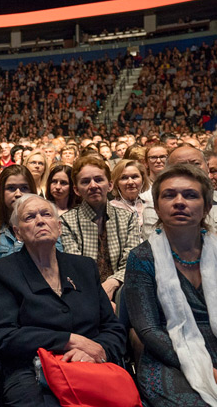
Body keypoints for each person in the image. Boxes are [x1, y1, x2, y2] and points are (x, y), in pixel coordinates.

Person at [0, 194, 126, 406]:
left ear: (59, 227)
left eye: (46, 214)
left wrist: (98, 351)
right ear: (18, 233)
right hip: (32, 373)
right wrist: (69, 340)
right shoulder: (3, 271)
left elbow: (113, 328)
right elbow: (5, 336)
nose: (40, 220)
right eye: (29, 217)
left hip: (92, 368)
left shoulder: (84, 267)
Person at [126, 164, 217, 406]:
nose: (179, 202)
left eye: (190, 195)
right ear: (156, 206)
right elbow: (148, 330)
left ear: (207, 206)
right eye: (169, 195)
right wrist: (202, 366)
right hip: (169, 355)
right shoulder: (142, 257)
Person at [60, 155, 140, 308]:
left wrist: (112, 283)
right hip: (83, 292)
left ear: (110, 185)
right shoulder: (66, 221)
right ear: (76, 190)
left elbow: (131, 261)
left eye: (99, 179)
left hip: (121, 288)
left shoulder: (127, 218)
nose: (93, 185)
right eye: (85, 181)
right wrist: (99, 295)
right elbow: (76, 268)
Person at [0, 165, 48, 269]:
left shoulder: (45, 226)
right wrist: (19, 243)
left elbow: (54, 265)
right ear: (1, 192)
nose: (18, 194)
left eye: (24, 188)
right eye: (11, 188)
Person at [109, 159, 150, 231]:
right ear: (116, 183)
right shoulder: (110, 209)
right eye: (124, 178)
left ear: (143, 180)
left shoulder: (150, 205)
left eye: (134, 177)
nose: (130, 182)